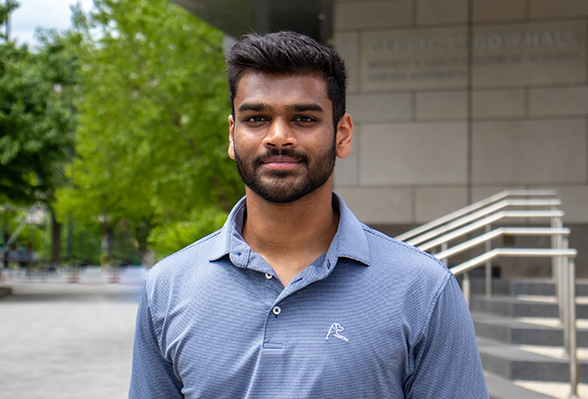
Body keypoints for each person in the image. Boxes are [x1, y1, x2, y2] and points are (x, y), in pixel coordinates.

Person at [129, 31, 488, 398]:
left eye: (303, 118)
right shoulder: (168, 288)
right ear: (232, 136)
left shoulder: (425, 289)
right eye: (256, 118)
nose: (278, 137)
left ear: (342, 135)